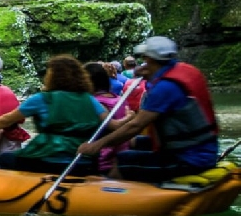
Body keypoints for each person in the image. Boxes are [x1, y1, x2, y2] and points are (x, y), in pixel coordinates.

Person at [77, 37, 218, 182]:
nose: (143, 60)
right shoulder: (184, 70)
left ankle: (114, 191)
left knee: (123, 160)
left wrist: (97, 145)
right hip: (198, 148)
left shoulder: (166, 87)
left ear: (151, 58)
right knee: (132, 142)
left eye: (145, 57)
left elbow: (135, 126)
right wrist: (148, 74)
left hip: (189, 158)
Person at [0, 55, 106, 175]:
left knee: (5, 158)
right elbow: (112, 126)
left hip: (49, 160)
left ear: (53, 76)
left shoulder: (43, 99)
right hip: (82, 161)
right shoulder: (89, 99)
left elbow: (6, 120)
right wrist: (102, 141)